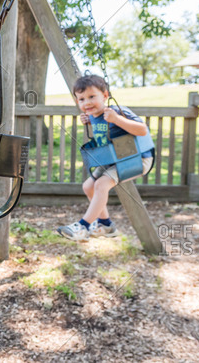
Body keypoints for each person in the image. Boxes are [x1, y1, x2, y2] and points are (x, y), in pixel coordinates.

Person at [57, 74, 153, 241]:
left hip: (137, 159)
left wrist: (118, 120)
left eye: (92, 97)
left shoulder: (116, 111)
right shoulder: (94, 116)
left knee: (101, 184)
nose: (87, 103)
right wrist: (89, 122)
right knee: (88, 187)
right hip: (114, 158)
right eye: (81, 99)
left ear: (105, 95)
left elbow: (143, 130)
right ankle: (105, 224)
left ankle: (83, 226)